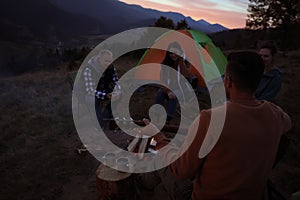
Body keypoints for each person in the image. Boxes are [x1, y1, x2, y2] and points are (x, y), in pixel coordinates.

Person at [141, 51, 291, 199]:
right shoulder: (276, 114)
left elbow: (181, 171)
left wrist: (159, 137)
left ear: (228, 81)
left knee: (158, 156)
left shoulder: (210, 119)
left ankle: (140, 185)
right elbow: (288, 125)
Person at [80, 49, 121, 129]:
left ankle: (107, 114)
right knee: (94, 99)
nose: (108, 63)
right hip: (85, 93)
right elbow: (90, 90)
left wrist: (117, 92)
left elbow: (116, 82)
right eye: (106, 61)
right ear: (99, 60)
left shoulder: (111, 68)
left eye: (110, 61)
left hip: (102, 91)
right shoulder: (89, 69)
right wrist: (106, 95)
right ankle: (98, 123)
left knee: (121, 94)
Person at [154, 41, 190, 123]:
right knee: (160, 93)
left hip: (181, 87)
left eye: (175, 53)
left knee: (175, 95)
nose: (173, 55)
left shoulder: (185, 62)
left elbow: (186, 75)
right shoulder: (165, 64)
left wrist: (181, 60)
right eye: (171, 53)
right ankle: (156, 115)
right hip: (168, 86)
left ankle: (168, 119)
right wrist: (168, 91)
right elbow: (162, 80)